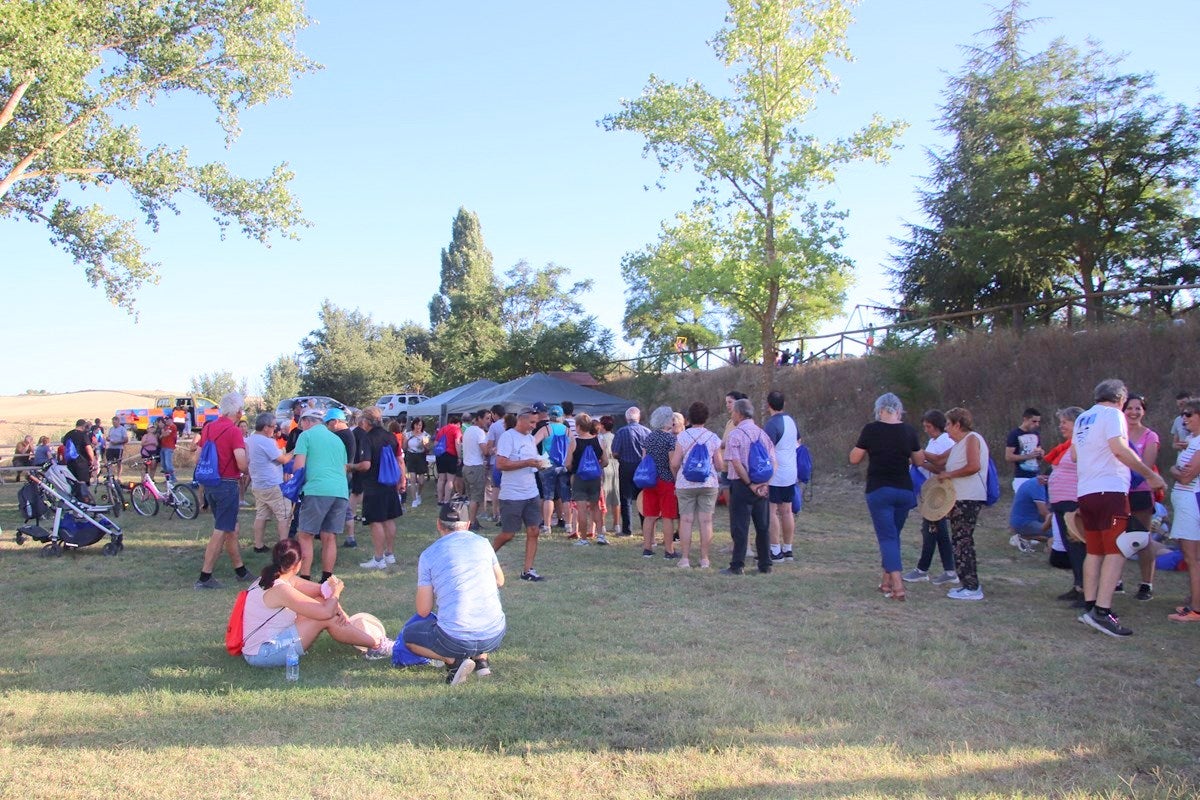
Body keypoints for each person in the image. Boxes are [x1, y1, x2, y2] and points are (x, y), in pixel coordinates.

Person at [1072, 379, 1165, 637]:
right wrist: (1149, 475)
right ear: (1121, 400)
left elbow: (1074, 455)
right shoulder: (1113, 414)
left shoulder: (1083, 418)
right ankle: (1102, 611)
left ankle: (1091, 606)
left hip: (1087, 491)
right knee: (1117, 550)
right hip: (1110, 490)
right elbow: (1119, 449)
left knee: (1095, 550)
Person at [241, 539, 393, 668]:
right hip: (262, 653)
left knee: (322, 604)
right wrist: (336, 592)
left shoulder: (271, 578)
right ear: (298, 563)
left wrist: (338, 608)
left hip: (259, 647)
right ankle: (377, 645)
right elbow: (326, 612)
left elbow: (321, 591)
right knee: (325, 617)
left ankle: (358, 633)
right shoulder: (281, 588)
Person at [402, 504, 507, 685]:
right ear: (467, 524)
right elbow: (500, 581)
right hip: (494, 634)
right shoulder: (483, 543)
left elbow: (423, 610)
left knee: (409, 636)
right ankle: (481, 660)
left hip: (454, 639)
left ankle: (454, 662)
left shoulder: (428, 555)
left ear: (438, 524)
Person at [849, 393, 921, 599]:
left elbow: (854, 458)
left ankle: (898, 587)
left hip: (879, 490)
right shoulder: (909, 431)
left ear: (879, 410)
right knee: (893, 536)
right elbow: (918, 460)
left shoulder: (871, 429)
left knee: (887, 537)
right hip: (904, 490)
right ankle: (886, 583)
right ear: (899, 411)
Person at [195, 393, 252, 589]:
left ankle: (240, 570)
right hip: (227, 484)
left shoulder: (209, 427)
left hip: (210, 483)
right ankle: (205, 576)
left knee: (230, 528)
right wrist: (247, 464)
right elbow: (242, 464)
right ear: (238, 412)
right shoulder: (234, 431)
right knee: (221, 530)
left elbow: (198, 456)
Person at [937, 407, 991, 601]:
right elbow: (937, 460)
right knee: (959, 540)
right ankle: (966, 583)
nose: (945, 428)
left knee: (963, 541)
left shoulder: (972, 438)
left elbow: (973, 466)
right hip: (959, 498)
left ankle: (971, 586)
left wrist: (949, 474)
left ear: (958, 424)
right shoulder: (959, 443)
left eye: (948, 424)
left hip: (969, 498)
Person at [291, 407, 351, 583]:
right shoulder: (337, 440)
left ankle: (305, 577)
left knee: (305, 534)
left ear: (307, 421)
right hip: (340, 491)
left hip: (317, 489)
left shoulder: (306, 436)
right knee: (329, 536)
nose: (300, 426)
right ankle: (327, 578)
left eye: (301, 422)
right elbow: (344, 468)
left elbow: (299, 467)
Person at [902, 410, 959, 587]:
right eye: (925, 426)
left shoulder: (946, 442)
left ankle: (923, 569)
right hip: (929, 490)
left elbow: (942, 467)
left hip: (939, 493)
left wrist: (921, 461)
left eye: (929, 426)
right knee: (937, 531)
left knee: (931, 530)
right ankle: (948, 570)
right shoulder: (934, 441)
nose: (926, 430)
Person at [723, 398, 777, 575]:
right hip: (763, 485)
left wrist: (750, 484)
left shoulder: (735, 435)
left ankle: (737, 565)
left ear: (738, 413)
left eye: (733, 413)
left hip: (742, 484)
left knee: (740, 526)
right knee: (762, 525)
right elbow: (773, 462)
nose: (732, 416)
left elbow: (736, 463)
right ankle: (765, 563)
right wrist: (764, 484)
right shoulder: (762, 433)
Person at [493, 408, 546, 582]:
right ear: (520, 420)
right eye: (531, 422)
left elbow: (531, 461)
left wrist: (538, 463)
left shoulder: (530, 438)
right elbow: (501, 464)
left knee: (534, 530)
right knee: (508, 534)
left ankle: (528, 570)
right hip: (512, 494)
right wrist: (526, 463)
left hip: (531, 492)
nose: (534, 425)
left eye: (535, 422)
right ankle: (484, 557)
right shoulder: (508, 437)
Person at [669, 401, 723, 569]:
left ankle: (685, 559)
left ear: (689, 418)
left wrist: (676, 477)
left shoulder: (682, 437)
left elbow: (675, 462)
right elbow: (720, 466)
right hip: (708, 483)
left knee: (685, 520)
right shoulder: (713, 437)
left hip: (686, 484)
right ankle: (705, 559)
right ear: (706, 417)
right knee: (706, 521)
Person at [355, 407, 405, 570]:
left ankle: (378, 558)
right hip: (390, 483)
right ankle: (390, 554)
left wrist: (349, 466)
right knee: (389, 518)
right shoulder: (391, 436)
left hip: (374, 484)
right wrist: (402, 479)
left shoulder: (367, 438)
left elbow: (365, 464)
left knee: (376, 521)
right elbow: (400, 460)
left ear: (365, 421)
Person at [1123, 393, 1160, 601]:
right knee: (1116, 536)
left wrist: (1129, 482)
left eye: (1138, 408)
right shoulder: (1116, 433)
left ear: (1143, 411)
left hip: (1140, 492)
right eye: (1129, 408)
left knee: (1142, 538)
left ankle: (1146, 584)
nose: (1133, 412)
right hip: (1117, 493)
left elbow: (1146, 467)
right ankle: (1116, 581)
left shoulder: (1150, 436)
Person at [1047, 407, 1086, 605]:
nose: (1061, 425)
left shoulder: (1083, 444)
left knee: (1078, 546)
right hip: (1061, 503)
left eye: (1065, 421)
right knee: (1070, 548)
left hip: (1073, 502)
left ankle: (1086, 590)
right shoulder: (1067, 446)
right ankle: (1078, 585)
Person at [1166, 399, 1200, 623]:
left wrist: (1173, 470)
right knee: (1192, 557)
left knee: (1192, 557)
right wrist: (1175, 469)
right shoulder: (1191, 441)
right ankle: (1194, 600)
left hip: (1191, 502)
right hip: (1185, 502)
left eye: (1189, 414)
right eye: (1183, 415)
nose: (1184, 419)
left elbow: (1186, 475)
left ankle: (1196, 610)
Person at [247, 412, 294, 553]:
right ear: (266, 427)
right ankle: (284, 548)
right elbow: (283, 459)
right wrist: (295, 450)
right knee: (284, 516)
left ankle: (258, 544)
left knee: (261, 514)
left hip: (258, 483)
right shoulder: (266, 442)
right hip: (273, 484)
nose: (275, 430)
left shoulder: (249, 440)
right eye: (273, 427)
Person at [764, 390, 799, 563]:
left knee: (771, 511)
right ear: (783, 404)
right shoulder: (791, 421)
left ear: (768, 405)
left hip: (776, 473)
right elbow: (799, 442)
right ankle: (788, 549)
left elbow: (766, 449)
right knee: (787, 510)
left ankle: (775, 550)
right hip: (791, 472)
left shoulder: (772, 424)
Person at [639, 405, 679, 559]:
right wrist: (676, 479)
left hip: (650, 479)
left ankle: (647, 548)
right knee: (668, 516)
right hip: (666, 480)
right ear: (666, 421)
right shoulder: (670, 439)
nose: (673, 421)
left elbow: (644, 460)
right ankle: (669, 550)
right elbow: (672, 463)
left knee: (650, 515)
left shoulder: (648, 438)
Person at [565, 412, 607, 545]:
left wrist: (572, 469)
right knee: (596, 508)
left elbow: (567, 463)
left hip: (579, 478)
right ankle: (601, 536)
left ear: (577, 426)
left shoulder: (574, 442)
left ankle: (583, 539)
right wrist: (596, 466)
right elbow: (605, 461)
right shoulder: (599, 440)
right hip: (594, 478)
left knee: (581, 509)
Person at [611, 406, 649, 537]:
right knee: (643, 498)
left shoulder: (621, 432)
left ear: (627, 418)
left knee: (625, 498)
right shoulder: (647, 432)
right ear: (638, 418)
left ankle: (627, 530)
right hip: (643, 468)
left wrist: (620, 456)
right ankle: (646, 528)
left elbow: (615, 452)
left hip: (626, 466)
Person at [461, 409, 491, 531]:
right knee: (476, 497)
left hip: (466, 467)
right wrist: (492, 450)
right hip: (475, 467)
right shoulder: (479, 432)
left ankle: (473, 521)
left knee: (471, 496)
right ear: (478, 418)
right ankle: (472, 523)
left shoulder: (468, 430)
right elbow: (485, 451)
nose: (488, 421)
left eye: (489, 418)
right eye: (486, 418)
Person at [1005, 408, 1044, 492]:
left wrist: (1040, 454)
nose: (1037, 424)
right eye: (1034, 421)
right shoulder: (1015, 434)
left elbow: (1039, 455)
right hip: (1021, 477)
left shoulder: (1036, 434)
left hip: (1036, 475)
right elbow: (1008, 457)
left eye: (1038, 422)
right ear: (1025, 419)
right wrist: (1028, 456)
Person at [1008, 474, 1051, 551]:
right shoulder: (1037, 485)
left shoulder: (1045, 486)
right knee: (1059, 533)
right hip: (1025, 522)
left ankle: (1026, 536)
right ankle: (1023, 536)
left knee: (1059, 533)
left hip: (1033, 518)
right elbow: (1043, 511)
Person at [61, 418, 96, 503]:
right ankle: (84, 501)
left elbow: (65, 448)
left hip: (70, 462)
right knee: (82, 483)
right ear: (83, 426)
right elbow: (88, 448)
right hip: (82, 462)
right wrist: (92, 460)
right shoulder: (83, 435)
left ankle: (74, 501)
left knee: (73, 483)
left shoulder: (68, 434)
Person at [433, 414, 463, 506]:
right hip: (451, 455)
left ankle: (439, 500)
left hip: (440, 455)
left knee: (441, 479)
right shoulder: (456, 429)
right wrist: (459, 457)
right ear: (458, 423)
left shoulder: (442, 429)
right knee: (450, 479)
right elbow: (457, 443)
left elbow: (435, 443)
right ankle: (446, 500)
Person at [598, 415, 620, 535]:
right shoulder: (615, 437)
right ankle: (617, 525)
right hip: (615, 466)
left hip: (605, 466)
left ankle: (603, 526)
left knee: (604, 497)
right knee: (615, 496)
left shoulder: (601, 438)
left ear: (602, 425)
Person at [404, 418, 431, 508]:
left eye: (420, 425)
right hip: (411, 456)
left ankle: (419, 494)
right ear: (413, 425)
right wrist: (407, 440)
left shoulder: (425, 435)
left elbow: (428, 449)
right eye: (416, 425)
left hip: (421, 457)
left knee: (421, 481)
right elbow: (404, 447)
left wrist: (424, 444)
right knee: (412, 478)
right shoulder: (408, 434)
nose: (418, 427)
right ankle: (414, 499)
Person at [157, 418, 178, 482]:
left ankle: (173, 478)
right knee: (163, 464)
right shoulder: (165, 428)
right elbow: (160, 437)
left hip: (169, 447)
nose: (166, 421)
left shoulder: (173, 426)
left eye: (168, 420)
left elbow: (166, 434)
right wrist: (163, 433)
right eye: (166, 420)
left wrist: (163, 433)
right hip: (163, 446)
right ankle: (168, 479)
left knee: (168, 464)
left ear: (171, 420)